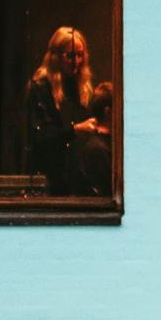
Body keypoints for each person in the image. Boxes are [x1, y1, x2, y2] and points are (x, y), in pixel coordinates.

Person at [22, 26, 118, 200]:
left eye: (80, 55)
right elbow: (41, 136)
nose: (77, 61)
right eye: (71, 56)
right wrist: (75, 130)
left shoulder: (80, 86)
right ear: (55, 57)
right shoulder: (40, 88)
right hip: (50, 177)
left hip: (77, 175)